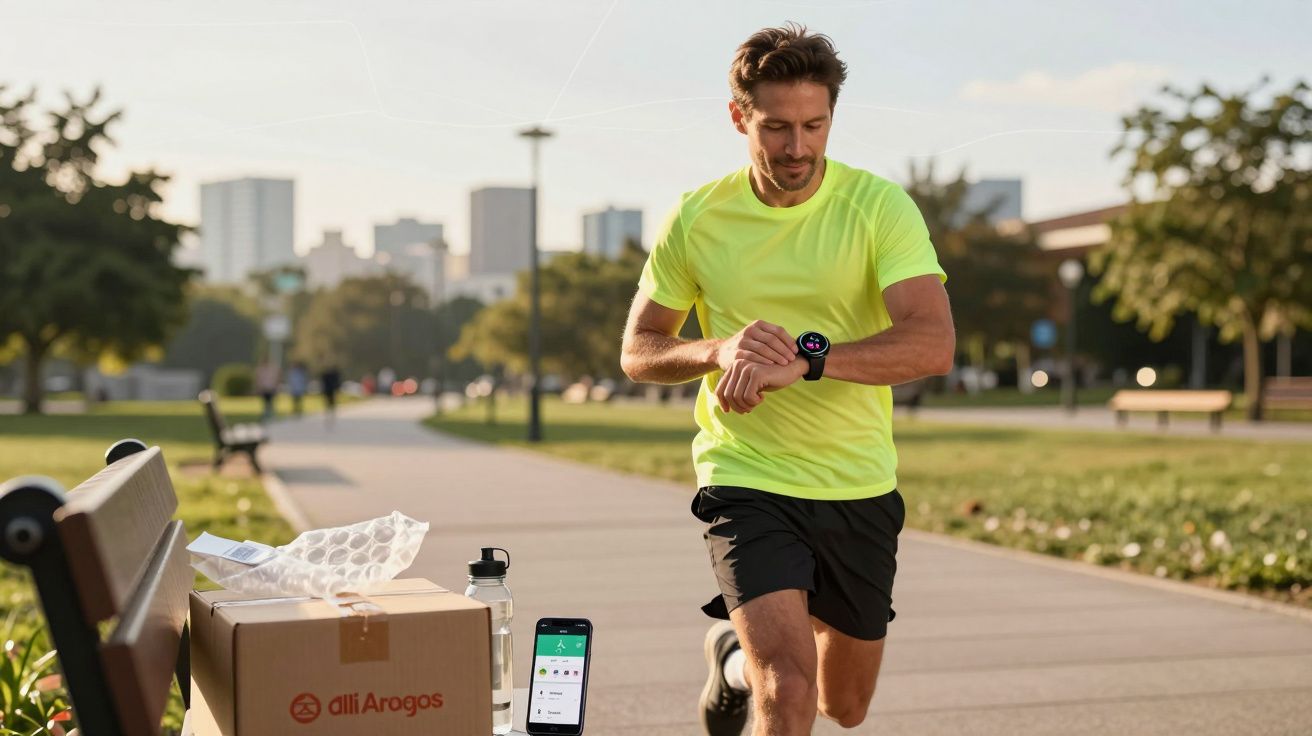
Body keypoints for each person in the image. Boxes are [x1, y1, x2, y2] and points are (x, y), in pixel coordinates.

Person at [619, 24, 955, 736]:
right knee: (789, 686)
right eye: (775, 128)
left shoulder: (878, 208)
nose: (797, 148)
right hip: (746, 475)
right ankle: (756, 665)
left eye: (814, 125)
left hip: (855, 482)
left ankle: (732, 661)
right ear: (739, 116)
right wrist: (718, 351)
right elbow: (639, 350)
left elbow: (933, 342)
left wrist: (810, 361)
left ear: (832, 116)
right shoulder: (698, 216)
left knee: (844, 705)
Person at [254, 359, 280, 423]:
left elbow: (275, 379)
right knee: (265, 404)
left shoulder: (271, 370)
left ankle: (271, 416)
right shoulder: (260, 370)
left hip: (271, 389)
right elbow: (259, 380)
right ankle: (266, 416)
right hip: (264, 389)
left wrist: (276, 387)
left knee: (270, 403)